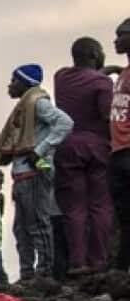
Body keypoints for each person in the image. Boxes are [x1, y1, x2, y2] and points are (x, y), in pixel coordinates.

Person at [0, 64, 74, 281]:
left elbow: (65, 123)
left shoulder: (37, 102)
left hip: (35, 171)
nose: (10, 85)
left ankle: (44, 272)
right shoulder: (25, 106)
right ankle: (27, 273)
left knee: (38, 223)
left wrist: (40, 150)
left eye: (14, 80)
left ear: (25, 82)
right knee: (21, 228)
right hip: (22, 173)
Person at [55, 37, 115, 275]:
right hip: (98, 146)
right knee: (100, 206)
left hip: (68, 146)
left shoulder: (61, 77)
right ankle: (98, 261)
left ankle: (77, 262)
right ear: (93, 55)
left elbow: (86, 78)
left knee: (74, 207)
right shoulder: (103, 83)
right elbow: (106, 115)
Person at [109, 19, 130, 271]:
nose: (116, 40)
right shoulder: (123, 74)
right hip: (118, 152)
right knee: (124, 217)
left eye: (121, 35)